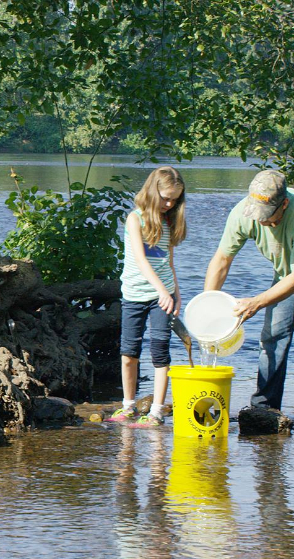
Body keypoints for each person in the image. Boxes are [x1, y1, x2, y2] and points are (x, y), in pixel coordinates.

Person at [204, 169, 294, 433]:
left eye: (268, 218)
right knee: (274, 332)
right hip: (286, 270)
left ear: (284, 204)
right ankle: (265, 406)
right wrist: (207, 304)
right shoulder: (242, 213)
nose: (263, 223)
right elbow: (222, 260)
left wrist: (256, 302)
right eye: (258, 217)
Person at [108, 166, 187, 427]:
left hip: (162, 297)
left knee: (160, 352)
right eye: (165, 198)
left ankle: (155, 412)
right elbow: (142, 261)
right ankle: (128, 405)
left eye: (174, 199)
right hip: (134, 294)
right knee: (129, 351)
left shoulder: (170, 221)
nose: (169, 203)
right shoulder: (135, 219)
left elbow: (170, 263)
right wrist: (163, 291)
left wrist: (175, 293)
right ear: (153, 192)